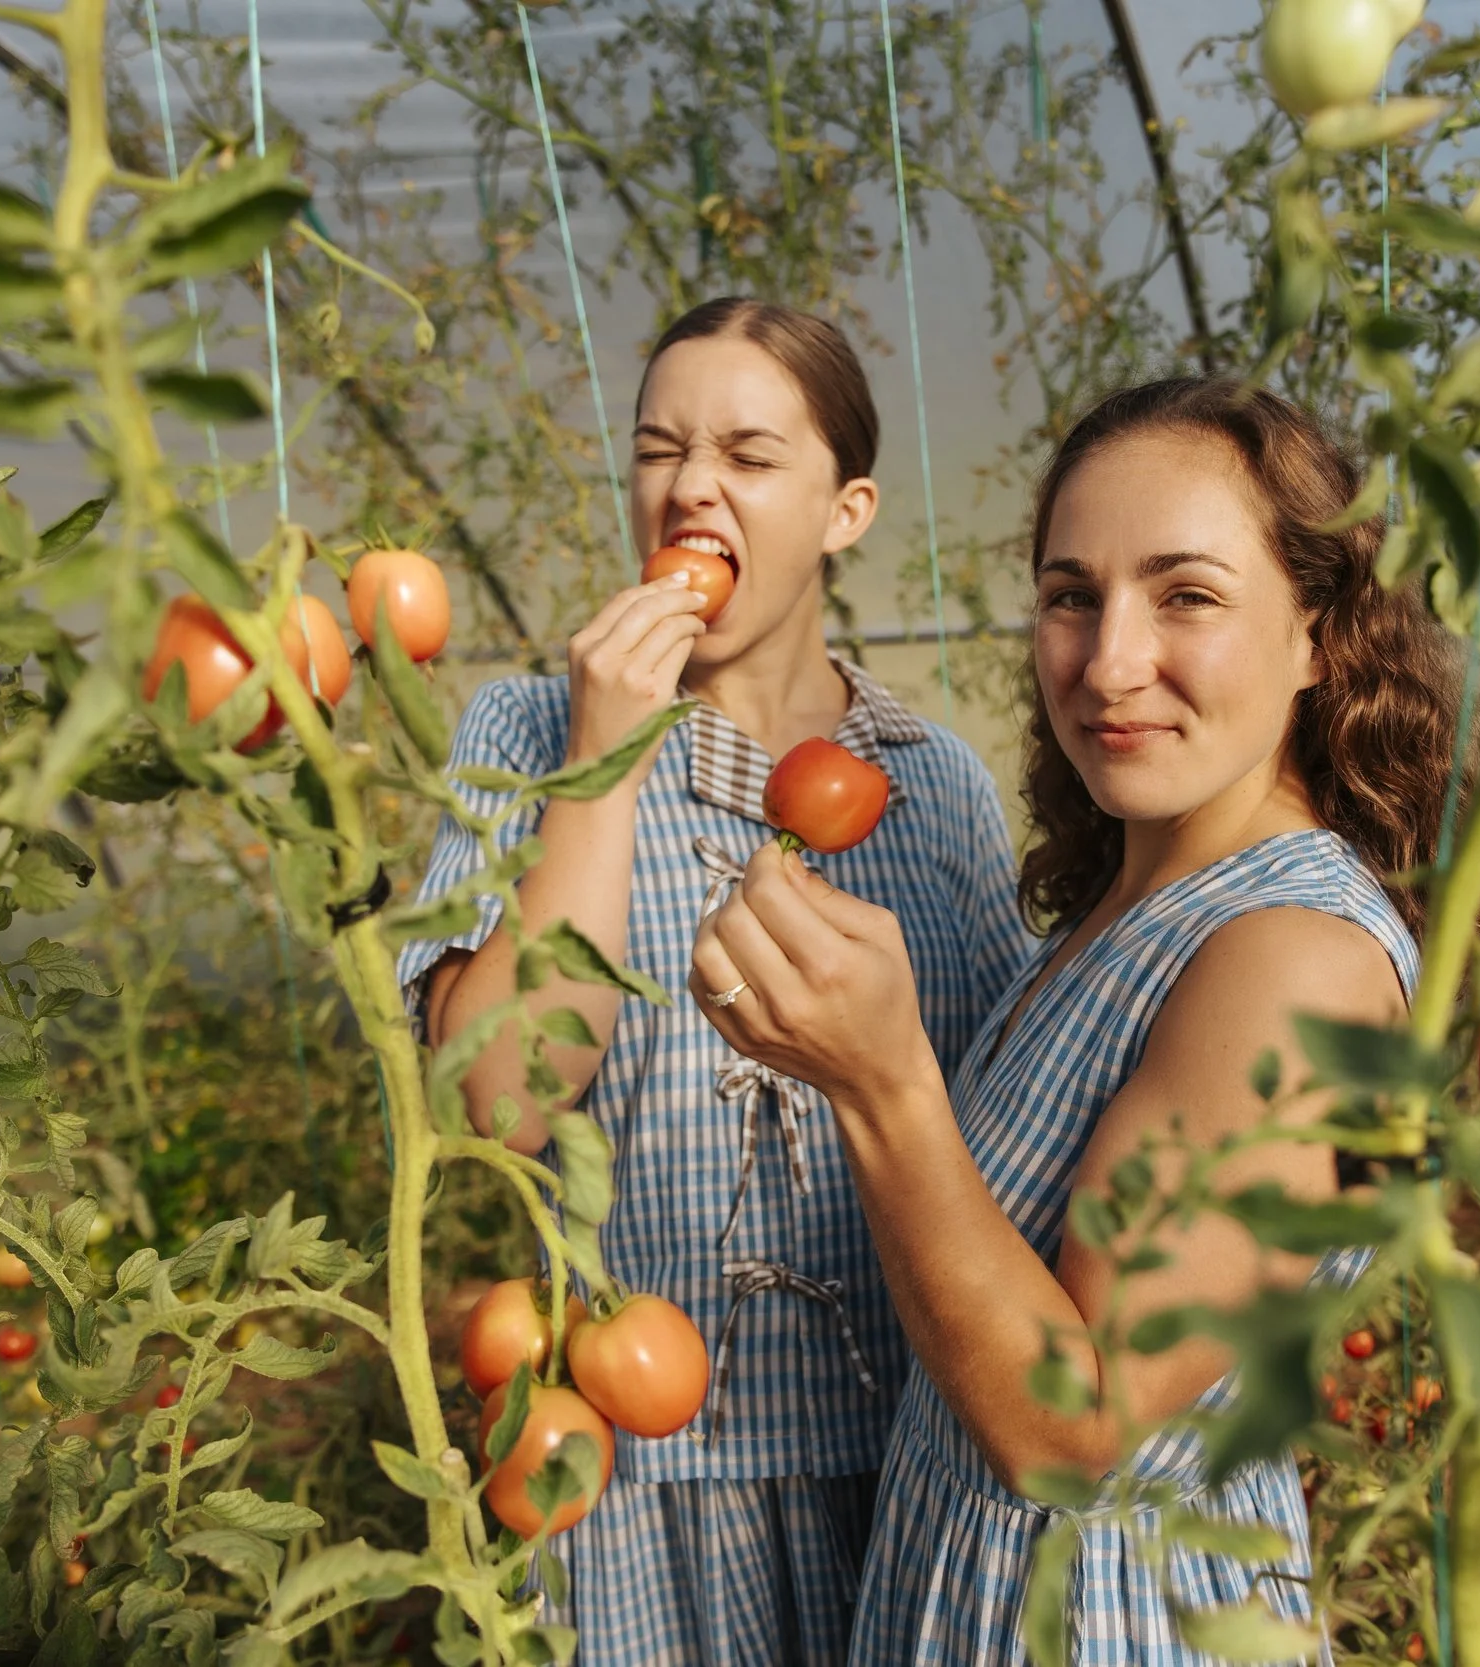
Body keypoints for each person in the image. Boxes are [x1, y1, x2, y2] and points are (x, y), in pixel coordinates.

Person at [687, 376, 1480, 1661]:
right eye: (1073, 595)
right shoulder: (1127, 907)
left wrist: (881, 1083)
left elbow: (1076, 1428)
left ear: (1317, 633)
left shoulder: (1294, 954)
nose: (1110, 660)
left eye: (1185, 594)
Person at [396, 298, 1031, 1664]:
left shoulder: (934, 786)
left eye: (748, 455)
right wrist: (604, 760)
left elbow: (994, 1147)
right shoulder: (532, 727)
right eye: (659, 450)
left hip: (908, 1474)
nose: (690, 485)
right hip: (634, 1487)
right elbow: (497, 1101)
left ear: (845, 509)